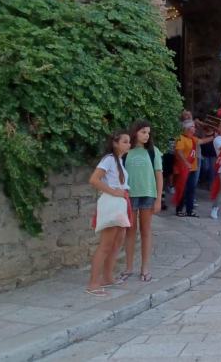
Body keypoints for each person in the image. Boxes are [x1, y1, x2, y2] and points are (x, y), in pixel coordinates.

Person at [86, 131, 132, 296]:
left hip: (120, 203)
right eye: (125, 142)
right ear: (115, 143)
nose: (129, 144)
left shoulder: (118, 160)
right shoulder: (109, 159)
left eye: (129, 142)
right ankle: (93, 283)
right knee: (106, 244)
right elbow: (94, 179)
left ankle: (107, 277)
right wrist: (113, 191)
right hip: (112, 203)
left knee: (117, 242)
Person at [122, 121, 163, 283]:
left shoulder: (153, 152)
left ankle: (145, 268)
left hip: (148, 195)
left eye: (148, 133)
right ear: (135, 133)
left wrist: (159, 198)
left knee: (146, 231)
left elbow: (158, 176)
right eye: (143, 132)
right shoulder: (127, 152)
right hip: (130, 195)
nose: (146, 135)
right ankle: (129, 267)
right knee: (130, 232)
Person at [173, 120, 200, 217]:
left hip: (192, 169)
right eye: (193, 126)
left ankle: (190, 210)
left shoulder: (193, 139)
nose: (195, 128)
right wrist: (186, 162)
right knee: (182, 189)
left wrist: (213, 137)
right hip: (183, 169)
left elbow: (202, 141)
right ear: (187, 128)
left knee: (191, 189)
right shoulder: (181, 138)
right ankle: (179, 209)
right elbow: (179, 151)